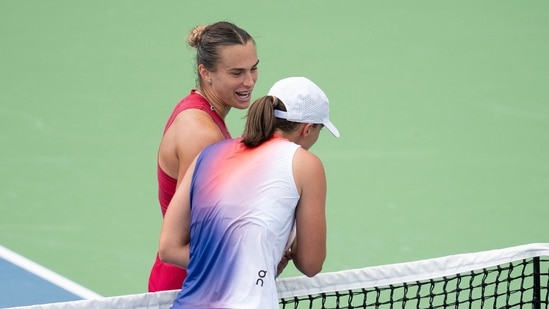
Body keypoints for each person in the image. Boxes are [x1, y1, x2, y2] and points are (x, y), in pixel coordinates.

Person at [159, 76, 339, 308]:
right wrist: (265, 261)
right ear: (307, 129)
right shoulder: (306, 164)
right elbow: (311, 263)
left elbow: (169, 249)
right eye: (319, 129)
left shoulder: (207, 155)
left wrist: (240, 265)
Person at [148, 21, 259, 292]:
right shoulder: (201, 134)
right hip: (188, 285)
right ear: (205, 72)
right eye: (236, 73)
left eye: (253, 68)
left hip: (202, 278)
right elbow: (193, 235)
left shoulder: (200, 111)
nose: (249, 81)